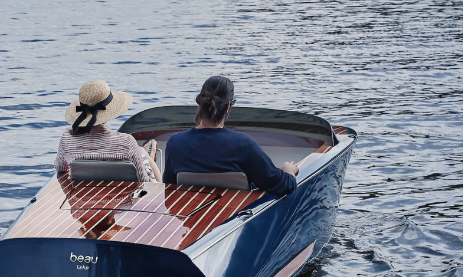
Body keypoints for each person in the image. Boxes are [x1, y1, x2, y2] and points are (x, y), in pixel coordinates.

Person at [162, 76, 298, 195]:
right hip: (236, 218)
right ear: (228, 106)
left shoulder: (175, 143)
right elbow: (283, 185)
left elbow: (169, 189)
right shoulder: (244, 145)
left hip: (192, 220)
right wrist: (288, 171)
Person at [55, 79, 160, 181]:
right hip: (125, 196)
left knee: (140, 152)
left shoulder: (66, 140)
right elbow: (144, 181)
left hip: (83, 195)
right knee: (141, 152)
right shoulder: (127, 142)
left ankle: (147, 155)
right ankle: (149, 155)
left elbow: (61, 169)